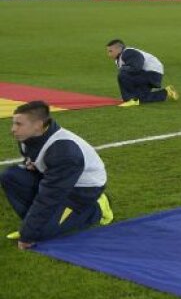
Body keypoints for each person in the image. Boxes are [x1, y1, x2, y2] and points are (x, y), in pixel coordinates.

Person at [3, 101, 113, 248]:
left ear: (38, 125)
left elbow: (49, 196)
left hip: (82, 190)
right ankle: (33, 224)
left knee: (41, 235)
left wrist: (28, 235)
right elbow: (33, 159)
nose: (13, 129)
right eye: (14, 123)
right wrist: (30, 164)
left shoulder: (64, 152)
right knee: (10, 176)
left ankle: (97, 208)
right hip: (60, 179)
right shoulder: (27, 137)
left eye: (19, 124)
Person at [107, 40, 178, 107]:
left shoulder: (127, 52)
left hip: (151, 74)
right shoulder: (120, 58)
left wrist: (124, 69)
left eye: (111, 51)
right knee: (139, 98)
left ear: (119, 49)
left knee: (123, 74)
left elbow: (137, 66)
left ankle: (130, 99)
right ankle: (166, 92)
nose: (109, 54)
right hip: (152, 75)